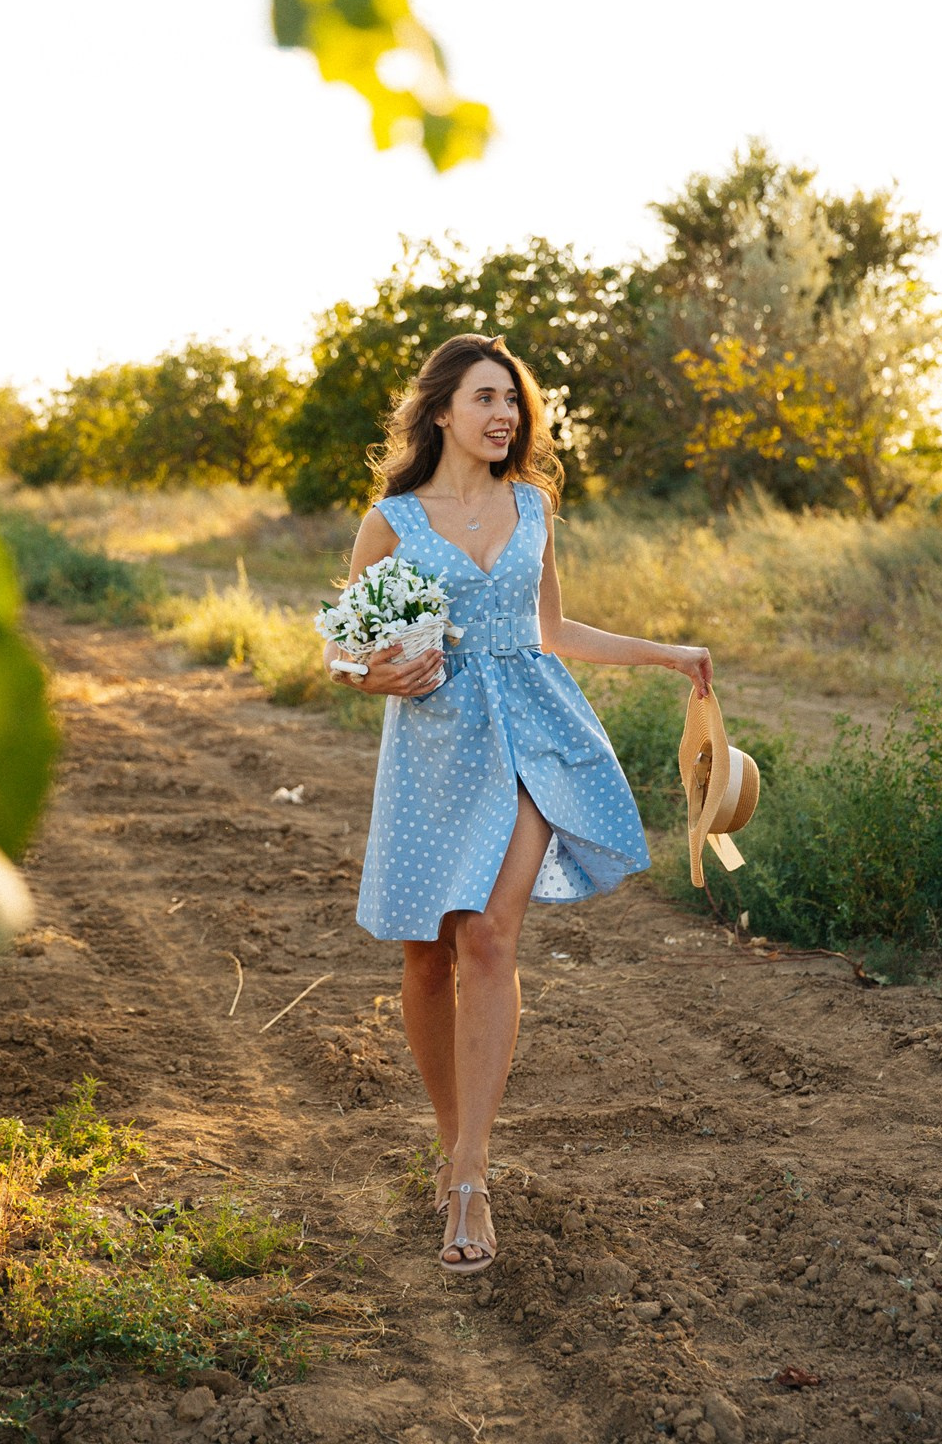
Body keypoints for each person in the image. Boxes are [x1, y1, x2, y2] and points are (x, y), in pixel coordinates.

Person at [321, 333, 712, 1275]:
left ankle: (469, 1178)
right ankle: (452, 1140)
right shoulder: (394, 520)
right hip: (433, 744)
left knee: (490, 938)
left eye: (513, 401)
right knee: (427, 954)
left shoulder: (532, 505)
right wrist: (375, 677)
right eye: (485, 398)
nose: (504, 415)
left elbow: (549, 628)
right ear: (442, 412)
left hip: (533, 732)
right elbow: (342, 649)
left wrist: (668, 654)